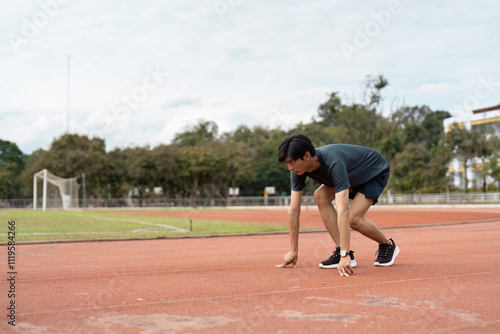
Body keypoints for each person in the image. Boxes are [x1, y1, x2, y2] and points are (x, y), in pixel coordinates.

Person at [275, 134, 399, 277]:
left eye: (292, 162)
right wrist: (293, 250)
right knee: (320, 195)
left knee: (353, 219)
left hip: (373, 171)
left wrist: (344, 254)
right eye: (287, 163)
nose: (290, 167)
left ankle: (387, 245)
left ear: (307, 156)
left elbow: (342, 209)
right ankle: (342, 250)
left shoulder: (333, 163)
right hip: (352, 175)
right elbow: (294, 210)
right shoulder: (297, 170)